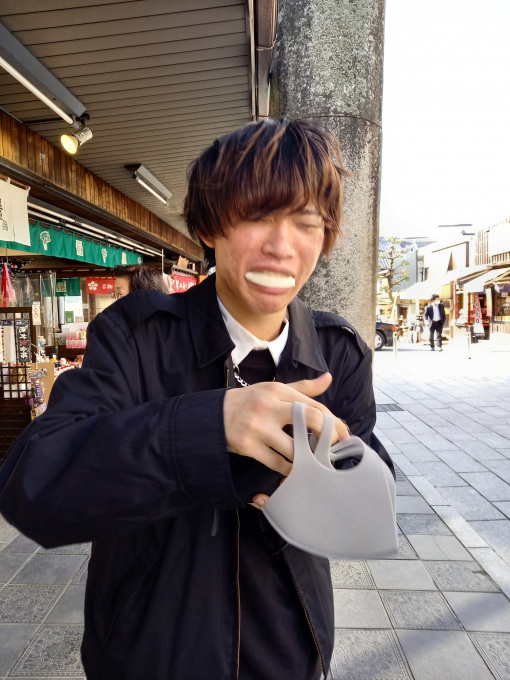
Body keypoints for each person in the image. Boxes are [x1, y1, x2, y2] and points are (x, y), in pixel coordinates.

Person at [0, 119, 393, 680]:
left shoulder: (338, 353)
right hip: (150, 656)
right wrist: (209, 427)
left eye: (306, 222)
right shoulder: (137, 338)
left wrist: (341, 476)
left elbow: (367, 493)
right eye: (257, 215)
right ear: (210, 225)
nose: (282, 246)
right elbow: (33, 488)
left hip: (289, 653)